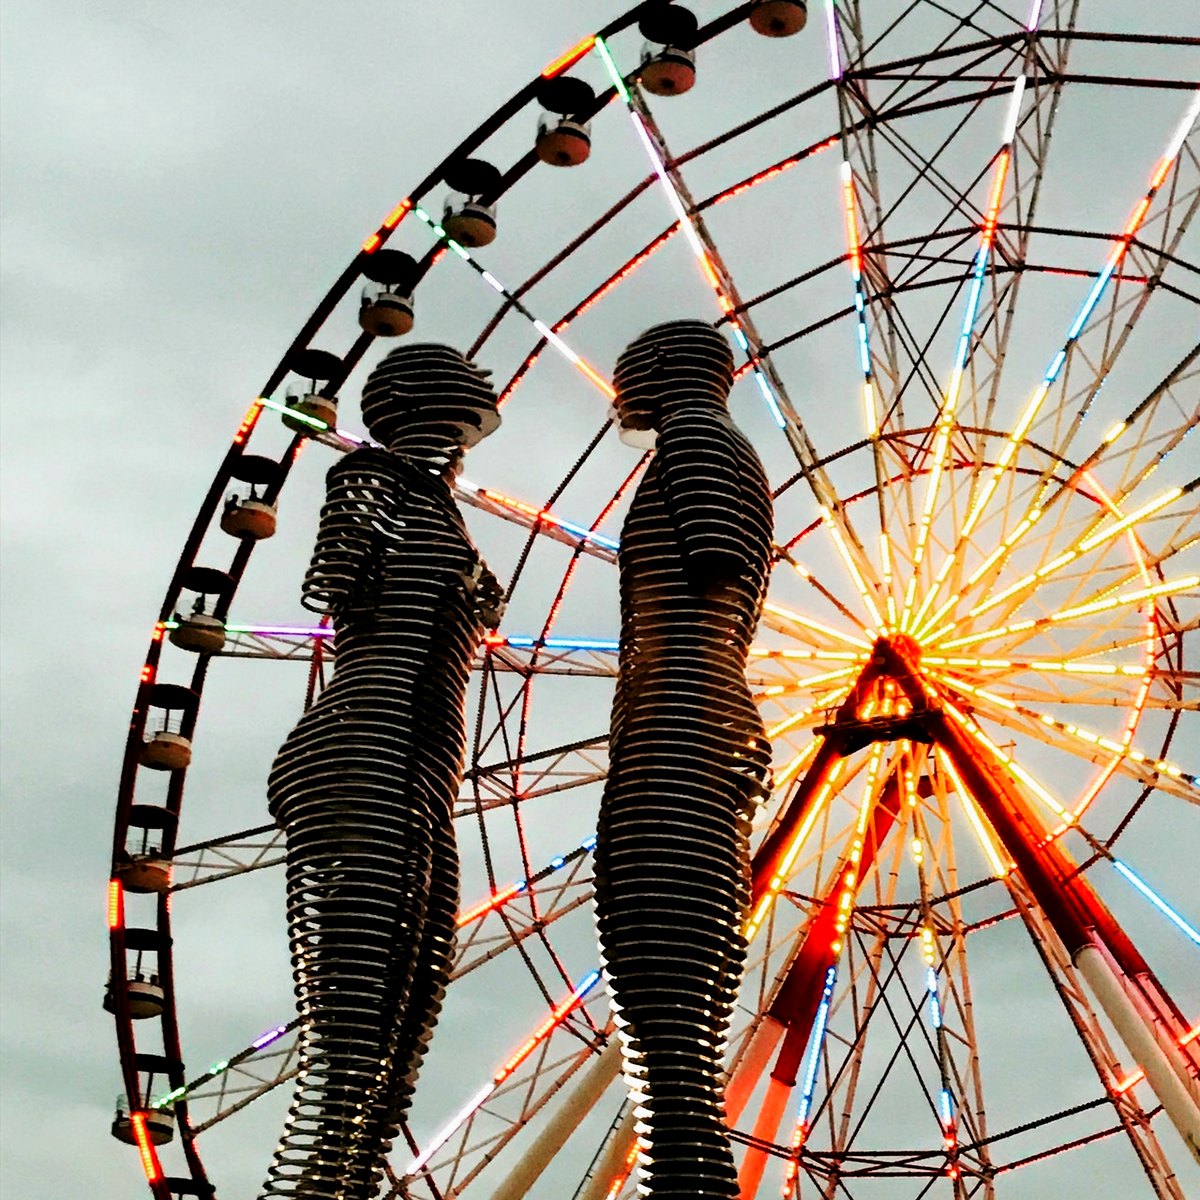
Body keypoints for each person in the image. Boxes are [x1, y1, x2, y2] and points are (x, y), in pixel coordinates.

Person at [261, 344, 504, 1199]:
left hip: (424, 766)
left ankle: (342, 1186)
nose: (474, 429)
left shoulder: (437, 506)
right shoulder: (373, 478)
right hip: (365, 743)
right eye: (465, 411)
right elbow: (335, 581)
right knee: (354, 1030)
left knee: (407, 1020)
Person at [595, 319, 773, 1199]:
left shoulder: (698, 445)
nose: (617, 394)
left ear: (660, 368)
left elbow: (714, 558)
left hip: (680, 722)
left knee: (659, 1005)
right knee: (682, 1035)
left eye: (625, 372)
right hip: (712, 722)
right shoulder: (728, 451)